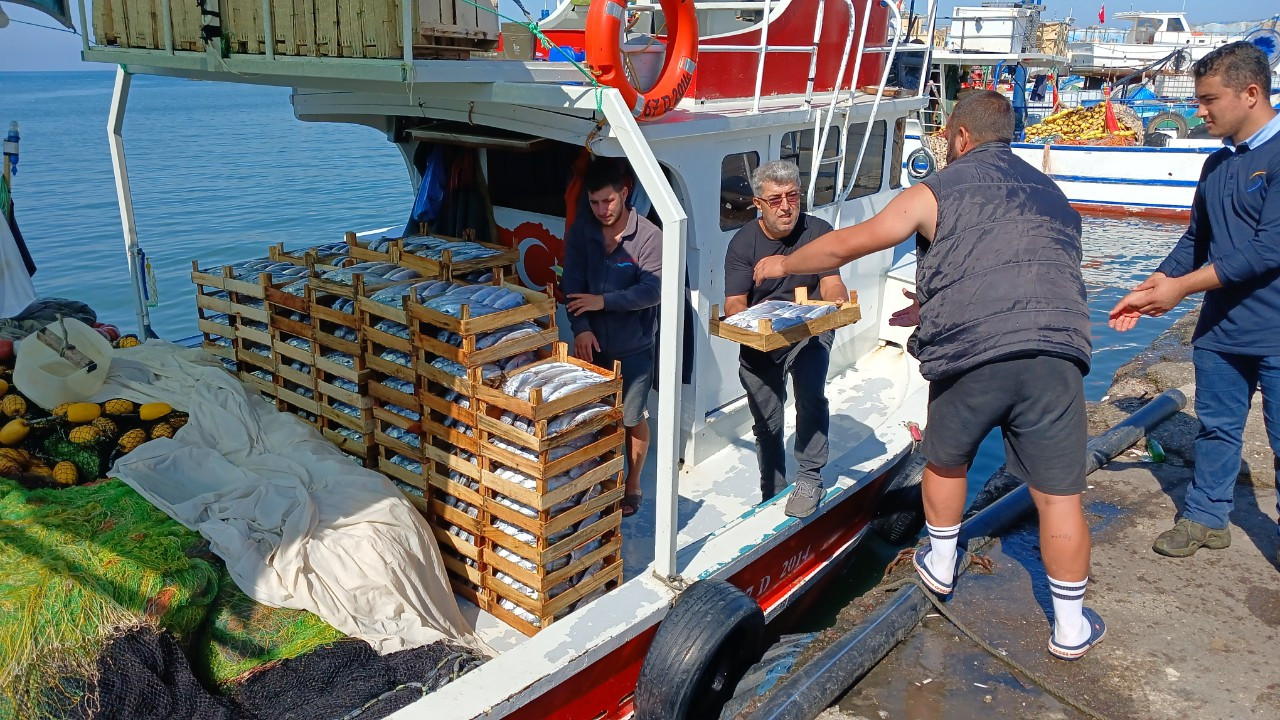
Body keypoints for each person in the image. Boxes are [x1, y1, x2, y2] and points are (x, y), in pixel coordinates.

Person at [755, 91, 1106, 659]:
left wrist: (784, 263)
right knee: (1059, 496)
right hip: (1056, 355)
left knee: (945, 459)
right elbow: (1027, 268)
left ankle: (941, 564)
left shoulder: (937, 188)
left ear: (960, 138)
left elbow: (850, 242)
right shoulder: (1055, 196)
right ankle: (1070, 629)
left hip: (974, 352)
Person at [1109, 42, 1280, 561]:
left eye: (1209, 100)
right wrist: (1155, 283)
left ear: (1251, 94)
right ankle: (1207, 517)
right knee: (1216, 428)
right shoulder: (1216, 163)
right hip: (1221, 332)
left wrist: (1181, 289)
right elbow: (1196, 240)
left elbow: (1268, 249)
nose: (1199, 112)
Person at [723, 160, 850, 519]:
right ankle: (772, 489)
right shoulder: (742, 243)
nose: (785, 206)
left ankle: (810, 477)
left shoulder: (819, 230)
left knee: (810, 394)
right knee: (767, 420)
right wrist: (741, 321)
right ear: (758, 204)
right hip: (762, 338)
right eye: (775, 199)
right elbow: (735, 303)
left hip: (808, 332)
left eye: (792, 197)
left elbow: (830, 282)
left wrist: (837, 297)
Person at [561, 159, 662, 518]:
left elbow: (652, 291)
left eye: (608, 201)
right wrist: (582, 328)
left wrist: (603, 301)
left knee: (632, 416)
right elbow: (571, 284)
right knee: (594, 416)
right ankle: (598, 480)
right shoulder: (581, 231)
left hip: (634, 346)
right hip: (591, 345)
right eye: (594, 203)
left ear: (624, 193)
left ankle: (632, 483)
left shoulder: (650, 237)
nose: (602, 210)